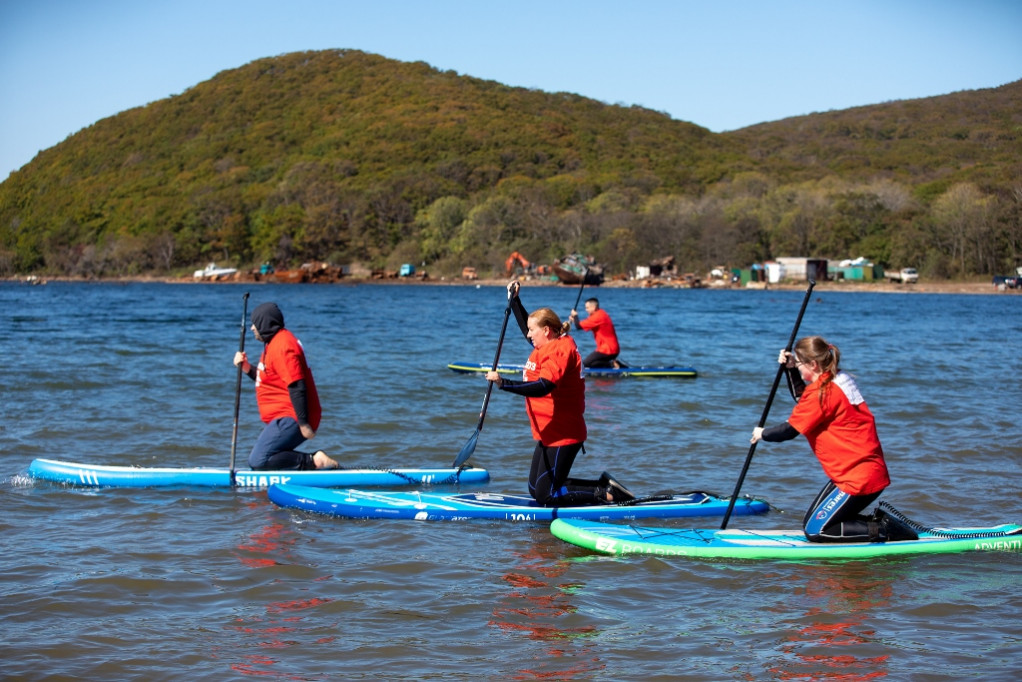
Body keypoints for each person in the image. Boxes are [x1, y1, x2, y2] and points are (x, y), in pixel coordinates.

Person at [750, 336, 916, 543]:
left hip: (858, 478)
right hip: (853, 473)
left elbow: (790, 431)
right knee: (812, 524)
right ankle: (875, 523)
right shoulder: (837, 379)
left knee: (816, 531)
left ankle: (886, 530)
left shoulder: (825, 392)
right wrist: (791, 368)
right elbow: (805, 400)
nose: (800, 369)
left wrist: (762, 434)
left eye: (800, 364)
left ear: (813, 364)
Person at [485, 282, 634, 506]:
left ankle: (607, 495)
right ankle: (602, 486)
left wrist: (504, 383)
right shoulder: (545, 344)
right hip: (549, 431)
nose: (528, 335)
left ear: (546, 330)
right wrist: (515, 301)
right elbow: (527, 329)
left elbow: (545, 386)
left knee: (546, 496)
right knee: (536, 489)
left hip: (564, 433)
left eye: (532, 330)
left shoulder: (560, 351)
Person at [233, 302, 338, 471]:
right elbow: (268, 379)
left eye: (255, 323)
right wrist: (246, 367)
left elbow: (297, 384)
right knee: (266, 457)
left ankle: (315, 461)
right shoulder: (273, 344)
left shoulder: (283, 346)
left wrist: (304, 424)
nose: (252, 328)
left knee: (258, 460)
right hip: (286, 416)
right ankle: (301, 470)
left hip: (293, 416)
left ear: (265, 324)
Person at [569, 297, 621, 368]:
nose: (586, 310)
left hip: (608, 349)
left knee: (584, 364)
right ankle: (613, 364)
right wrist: (575, 319)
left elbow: (579, 326)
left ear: (593, 307)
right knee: (592, 364)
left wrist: (575, 316)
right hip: (610, 349)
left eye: (587, 308)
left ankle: (613, 365)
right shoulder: (601, 313)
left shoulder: (598, 316)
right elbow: (580, 324)